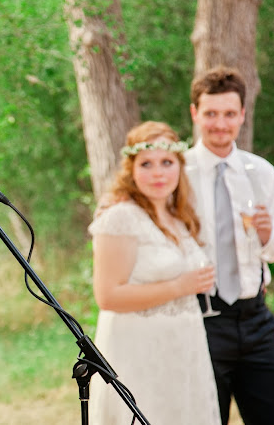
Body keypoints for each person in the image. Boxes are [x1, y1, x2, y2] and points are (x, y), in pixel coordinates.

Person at [88, 121, 221, 425]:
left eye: (167, 163)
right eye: (146, 164)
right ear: (131, 170)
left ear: (180, 166)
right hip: (139, 351)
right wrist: (180, 286)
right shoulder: (120, 216)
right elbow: (107, 296)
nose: (158, 173)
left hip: (184, 346)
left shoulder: (180, 215)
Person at [187, 66, 274, 425]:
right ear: (195, 113)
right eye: (211, 114)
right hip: (201, 320)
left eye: (230, 114)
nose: (220, 124)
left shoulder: (260, 172)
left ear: (243, 114)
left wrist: (265, 233)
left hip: (255, 320)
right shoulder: (177, 173)